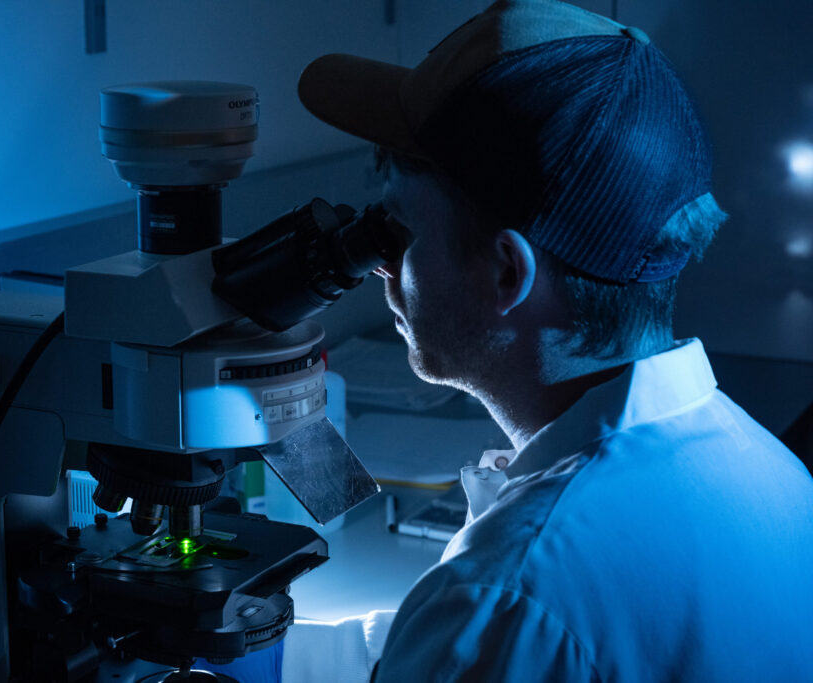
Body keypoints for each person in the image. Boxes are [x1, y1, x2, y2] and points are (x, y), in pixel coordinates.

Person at [273, 0, 813, 681]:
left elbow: (500, 624)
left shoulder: (502, 604)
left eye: (397, 230)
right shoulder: (778, 479)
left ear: (507, 271)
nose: (379, 265)